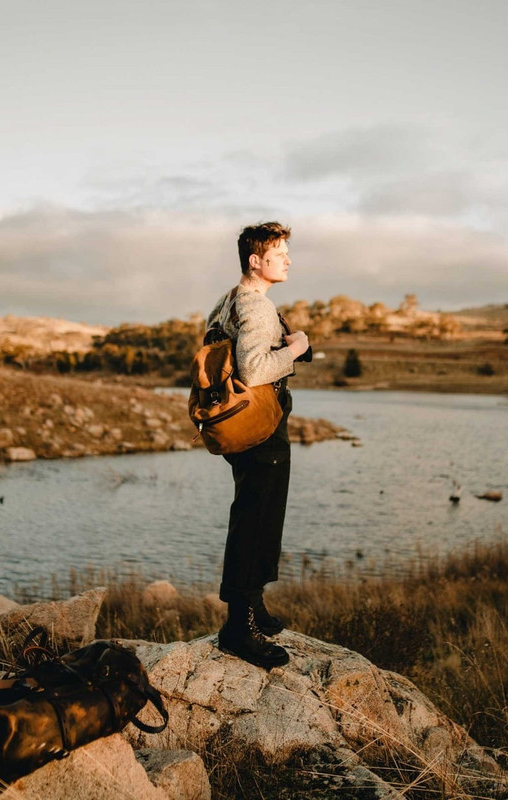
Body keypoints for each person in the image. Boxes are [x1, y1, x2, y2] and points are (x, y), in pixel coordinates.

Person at [206, 221, 311, 669]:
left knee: (252, 513)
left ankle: (253, 608)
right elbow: (252, 370)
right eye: (279, 252)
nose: (287, 259)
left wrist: (284, 348)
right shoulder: (256, 307)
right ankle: (239, 628)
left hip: (239, 426)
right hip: (262, 428)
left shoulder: (227, 300)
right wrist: (298, 347)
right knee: (258, 521)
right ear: (256, 259)